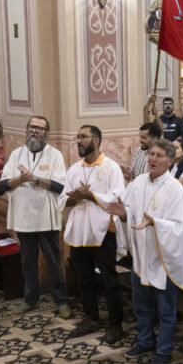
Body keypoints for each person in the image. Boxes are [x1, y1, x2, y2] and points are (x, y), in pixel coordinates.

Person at [108, 139, 183, 364]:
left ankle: (164, 351)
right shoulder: (138, 182)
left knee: (166, 310)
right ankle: (145, 341)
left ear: (170, 161)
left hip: (162, 260)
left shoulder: (175, 189)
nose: (152, 159)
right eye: (151, 154)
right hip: (141, 257)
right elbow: (128, 211)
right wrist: (122, 215)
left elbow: (179, 227)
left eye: (159, 155)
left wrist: (155, 223)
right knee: (141, 306)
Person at [59, 126, 126, 343]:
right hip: (80, 231)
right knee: (84, 277)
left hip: (103, 232)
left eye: (83, 137)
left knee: (109, 279)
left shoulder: (111, 168)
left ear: (96, 140)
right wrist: (75, 198)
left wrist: (91, 195)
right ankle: (90, 317)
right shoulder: (74, 169)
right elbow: (62, 199)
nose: (78, 141)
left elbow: (117, 197)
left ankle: (116, 324)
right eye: (77, 137)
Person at [0, 116, 69, 316]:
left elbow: (60, 186)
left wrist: (35, 179)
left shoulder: (55, 155)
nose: (34, 131)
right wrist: (21, 179)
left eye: (38, 128)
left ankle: (61, 300)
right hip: (23, 218)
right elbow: (3, 185)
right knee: (27, 262)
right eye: (31, 127)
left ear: (46, 133)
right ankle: (31, 299)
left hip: (46, 218)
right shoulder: (16, 154)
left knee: (53, 261)